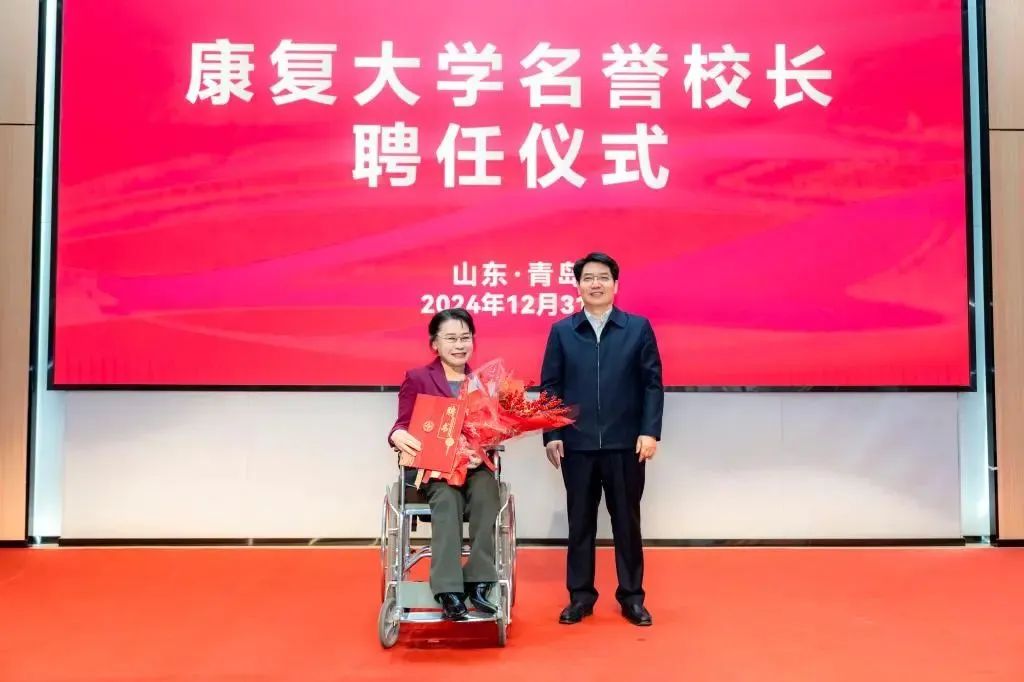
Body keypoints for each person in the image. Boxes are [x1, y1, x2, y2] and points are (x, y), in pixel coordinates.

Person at [540, 252, 664, 627]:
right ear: (578, 286)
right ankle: (580, 597)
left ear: (615, 284)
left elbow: (652, 384)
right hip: (577, 445)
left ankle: (632, 597)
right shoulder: (563, 331)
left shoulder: (637, 328)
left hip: (625, 444)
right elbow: (550, 386)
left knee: (627, 523)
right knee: (580, 524)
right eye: (588, 278)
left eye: (603, 277)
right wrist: (552, 432)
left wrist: (649, 431)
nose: (596, 284)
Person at [388, 308, 500, 621]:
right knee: (447, 499)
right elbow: (401, 425)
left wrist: (482, 448)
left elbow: (492, 430)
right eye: (451, 338)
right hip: (436, 469)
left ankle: (479, 580)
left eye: (465, 338)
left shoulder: (483, 382)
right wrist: (397, 435)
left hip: (474, 467)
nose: (459, 345)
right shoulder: (418, 378)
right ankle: (448, 589)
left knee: (487, 492)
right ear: (434, 344)